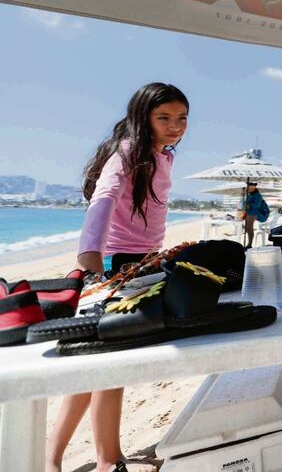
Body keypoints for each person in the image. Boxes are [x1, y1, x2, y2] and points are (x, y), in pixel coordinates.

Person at [48, 82, 189, 472]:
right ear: (143, 118)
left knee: (94, 365)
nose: (175, 126)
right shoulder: (128, 152)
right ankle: (108, 461)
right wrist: (91, 262)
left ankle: (54, 460)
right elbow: (104, 199)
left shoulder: (163, 156)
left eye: (181, 118)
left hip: (142, 262)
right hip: (116, 265)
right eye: (164, 118)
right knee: (111, 364)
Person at [241, 182, 269, 246]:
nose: (249, 188)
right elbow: (244, 204)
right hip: (250, 213)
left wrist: (249, 205)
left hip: (257, 213)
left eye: (251, 186)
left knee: (249, 227)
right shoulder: (249, 195)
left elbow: (257, 205)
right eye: (248, 186)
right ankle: (248, 243)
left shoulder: (257, 195)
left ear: (254, 187)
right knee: (248, 228)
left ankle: (249, 244)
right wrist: (243, 196)